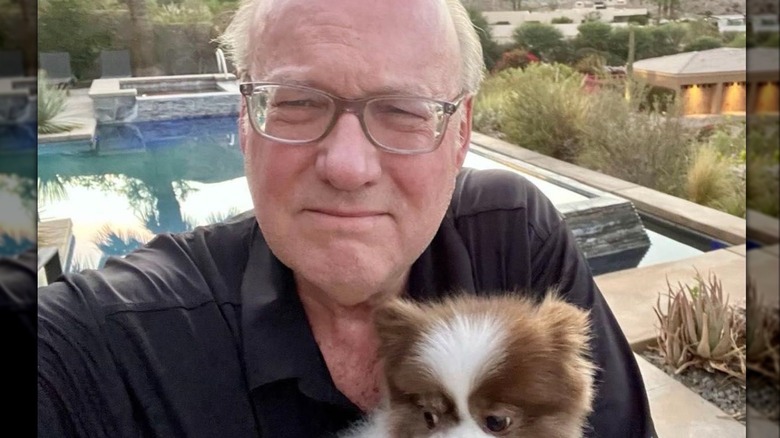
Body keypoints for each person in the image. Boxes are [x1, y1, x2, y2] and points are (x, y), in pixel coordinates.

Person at [38, 0, 657, 436]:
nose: (348, 165)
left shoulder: (514, 238)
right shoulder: (117, 337)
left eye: (402, 110)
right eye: (300, 103)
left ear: (460, 132)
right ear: (244, 125)